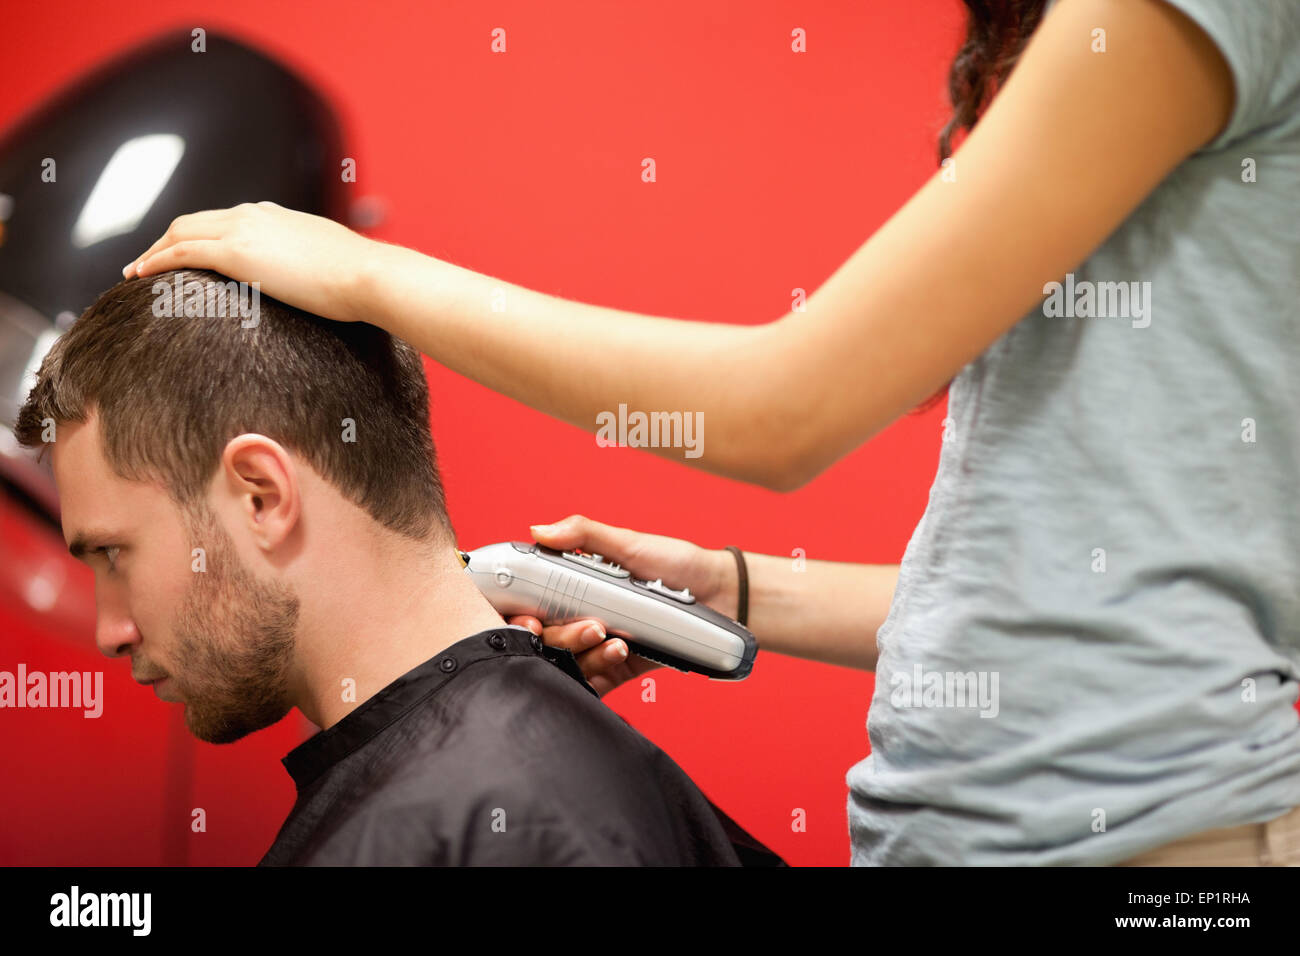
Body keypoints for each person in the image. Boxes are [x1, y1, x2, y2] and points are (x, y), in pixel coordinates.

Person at [122, 0, 1300, 865]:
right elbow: (1081, 578)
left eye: (110, 548)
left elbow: (787, 408)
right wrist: (735, 589)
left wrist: (367, 275)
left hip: (1155, 841)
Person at [13, 268, 785, 866]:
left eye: (113, 554)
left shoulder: (479, 820)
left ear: (261, 495)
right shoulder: (517, 785)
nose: (111, 630)